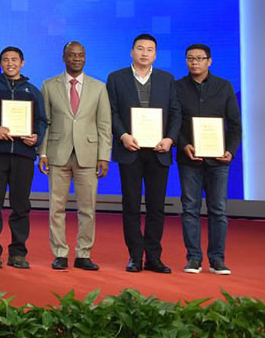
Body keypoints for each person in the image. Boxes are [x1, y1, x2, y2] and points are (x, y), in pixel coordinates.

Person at [106, 33, 181, 274]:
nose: (144, 53)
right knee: (131, 205)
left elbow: (176, 113)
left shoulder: (167, 79)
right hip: (130, 149)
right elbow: (111, 112)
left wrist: (170, 139)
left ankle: (154, 257)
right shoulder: (116, 78)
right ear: (132, 52)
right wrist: (123, 136)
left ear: (155, 55)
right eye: (140, 48)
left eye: (149, 49)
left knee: (156, 207)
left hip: (159, 150)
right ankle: (135, 256)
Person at [39, 41, 112, 271]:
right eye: (72, 55)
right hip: (57, 153)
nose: (77, 59)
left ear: (85, 57)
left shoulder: (98, 87)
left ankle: (83, 254)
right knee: (56, 207)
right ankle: (60, 253)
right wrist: (42, 152)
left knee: (87, 208)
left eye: (81, 55)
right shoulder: (49, 85)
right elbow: (44, 122)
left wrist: (104, 156)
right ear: (64, 58)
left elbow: (104, 124)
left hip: (88, 155)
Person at [176, 43, 242, 275]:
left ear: (209, 61)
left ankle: (217, 259)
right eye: (190, 58)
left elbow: (235, 125)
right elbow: (173, 122)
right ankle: (193, 258)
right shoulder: (177, 87)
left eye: (199, 58)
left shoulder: (224, 87)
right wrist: (183, 144)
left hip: (218, 160)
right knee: (189, 209)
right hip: (189, 159)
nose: (194, 62)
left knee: (218, 210)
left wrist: (230, 150)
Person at [0, 46, 47, 269]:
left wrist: (36, 136)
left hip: (23, 155)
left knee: (21, 205)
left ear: (22, 63)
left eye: (14, 59)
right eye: (6, 60)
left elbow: (41, 120)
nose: (10, 63)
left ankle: (18, 253)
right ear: (0, 63)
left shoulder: (32, 91)